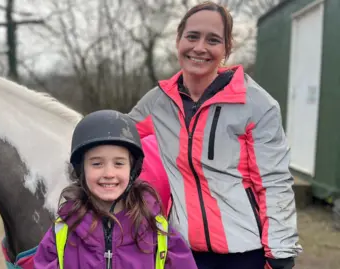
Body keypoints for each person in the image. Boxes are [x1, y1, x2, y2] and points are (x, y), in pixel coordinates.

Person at [128, 2, 302, 269]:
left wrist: (281, 252)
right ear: (178, 40)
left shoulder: (256, 104)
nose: (200, 47)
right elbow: (116, 139)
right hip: (182, 251)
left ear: (226, 49)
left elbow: (274, 182)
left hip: (245, 253)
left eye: (213, 40)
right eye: (192, 36)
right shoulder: (158, 102)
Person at [33, 109, 198, 269]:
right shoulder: (62, 232)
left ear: (132, 169)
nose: (109, 173)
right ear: (81, 169)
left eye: (119, 163)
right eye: (97, 164)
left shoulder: (158, 231)